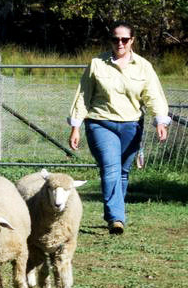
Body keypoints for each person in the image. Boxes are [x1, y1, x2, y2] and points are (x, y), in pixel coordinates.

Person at [68, 23, 170, 234]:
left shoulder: (144, 66)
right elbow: (83, 96)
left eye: (124, 39)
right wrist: (76, 126)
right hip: (100, 123)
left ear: (132, 40)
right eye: (115, 39)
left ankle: (114, 213)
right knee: (111, 168)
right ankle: (116, 217)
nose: (120, 43)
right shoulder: (97, 64)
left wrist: (160, 121)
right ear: (111, 41)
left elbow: (153, 95)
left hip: (131, 126)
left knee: (122, 172)